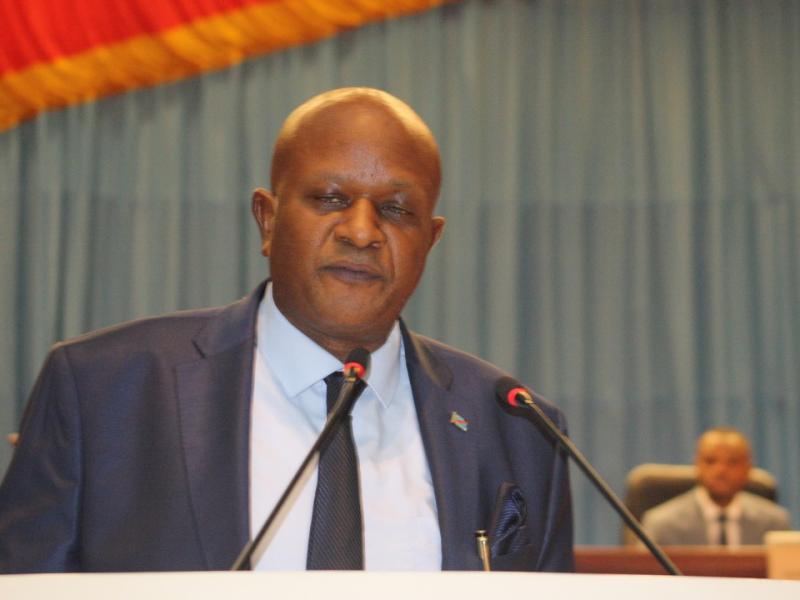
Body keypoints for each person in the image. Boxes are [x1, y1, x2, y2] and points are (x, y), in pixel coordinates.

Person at [0, 88, 573, 573]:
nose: (361, 232)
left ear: (431, 238)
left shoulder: (518, 427)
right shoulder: (102, 392)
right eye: (329, 199)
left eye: (397, 210)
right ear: (268, 219)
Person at [641, 427, 790, 545]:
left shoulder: (774, 524)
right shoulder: (663, 525)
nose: (721, 471)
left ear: (748, 468)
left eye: (732, 462)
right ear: (697, 465)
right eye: (710, 461)